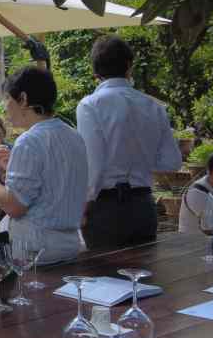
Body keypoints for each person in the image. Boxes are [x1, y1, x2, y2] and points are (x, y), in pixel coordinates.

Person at [76, 35, 182, 249]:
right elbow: (172, 162)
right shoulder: (154, 106)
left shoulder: (90, 105)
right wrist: (140, 159)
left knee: (104, 279)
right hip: (143, 205)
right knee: (143, 277)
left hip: (106, 209)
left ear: (95, 72)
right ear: (129, 66)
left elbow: (93, 164)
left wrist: (83, 207)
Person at [0, 67, 89, 264]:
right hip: (70, 245)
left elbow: (14, 206)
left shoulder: (29, 141)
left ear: (23, 99)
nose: (5, 107)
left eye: (7, 99)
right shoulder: (74, 136)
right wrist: (9, 167)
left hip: (34, 252)